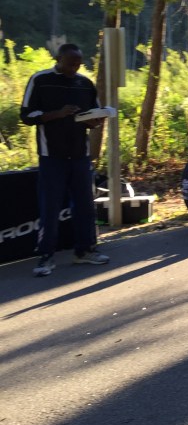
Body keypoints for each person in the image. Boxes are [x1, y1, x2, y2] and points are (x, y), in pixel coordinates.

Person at [20, 43, 110, 277]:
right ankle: (46, 256)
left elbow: (94, 116)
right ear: (58, 59)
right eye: (70, 63)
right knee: (50, 207)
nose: (74, 68)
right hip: (52, 156)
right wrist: (58, 114)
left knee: (85, 205)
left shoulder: (85, 83)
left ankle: (85, 250)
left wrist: (95, 120)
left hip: (80, 155)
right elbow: (26, 115)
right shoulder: (40, 80)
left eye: (78, 64)